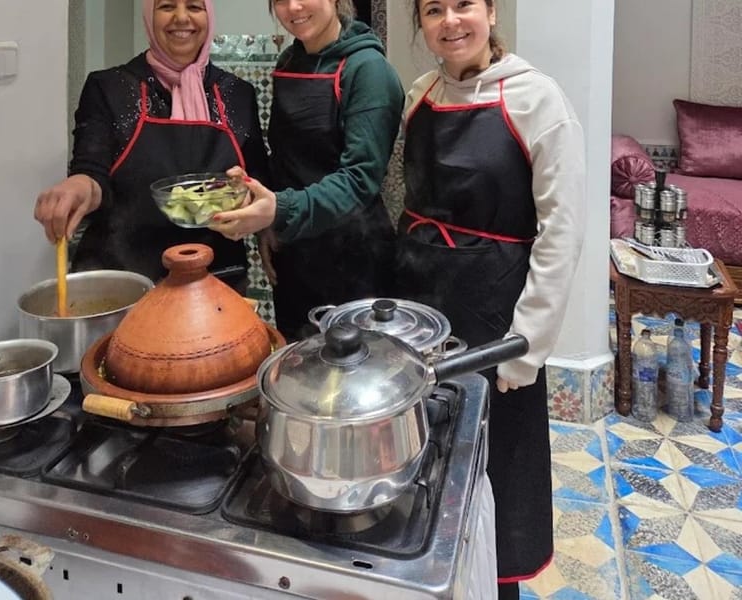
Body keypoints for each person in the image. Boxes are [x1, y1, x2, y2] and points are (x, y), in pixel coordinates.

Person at [397, 1, 585, 598]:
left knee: (496, 466)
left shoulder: (539, 101)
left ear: (491, 11)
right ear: (420, 24)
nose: (451, 21)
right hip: (422, 309)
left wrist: (526, 345)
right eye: (433, 10)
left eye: (464, 5)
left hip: (496, 316)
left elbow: (563, 232)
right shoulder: (419, 94)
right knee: (428, 465)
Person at [34, 0, 268, 288]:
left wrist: (252, 206)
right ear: (149, 15)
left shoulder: (238, 94)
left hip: (216, 279)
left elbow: (258, 177)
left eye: (195, 7)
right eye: (167, 6)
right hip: (124, 279)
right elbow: (91, 169)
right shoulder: (108, 87)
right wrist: (79, 186)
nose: (181, 18)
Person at [210, 0, 403, 340]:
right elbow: (285, 156)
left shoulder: (368, 70)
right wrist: (268, 226)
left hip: (354, 259)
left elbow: (359, 180)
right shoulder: (289, 60)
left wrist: (279, 210)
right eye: (280, 0)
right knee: (298, 371)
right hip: (295, 256)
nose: (293, 8)